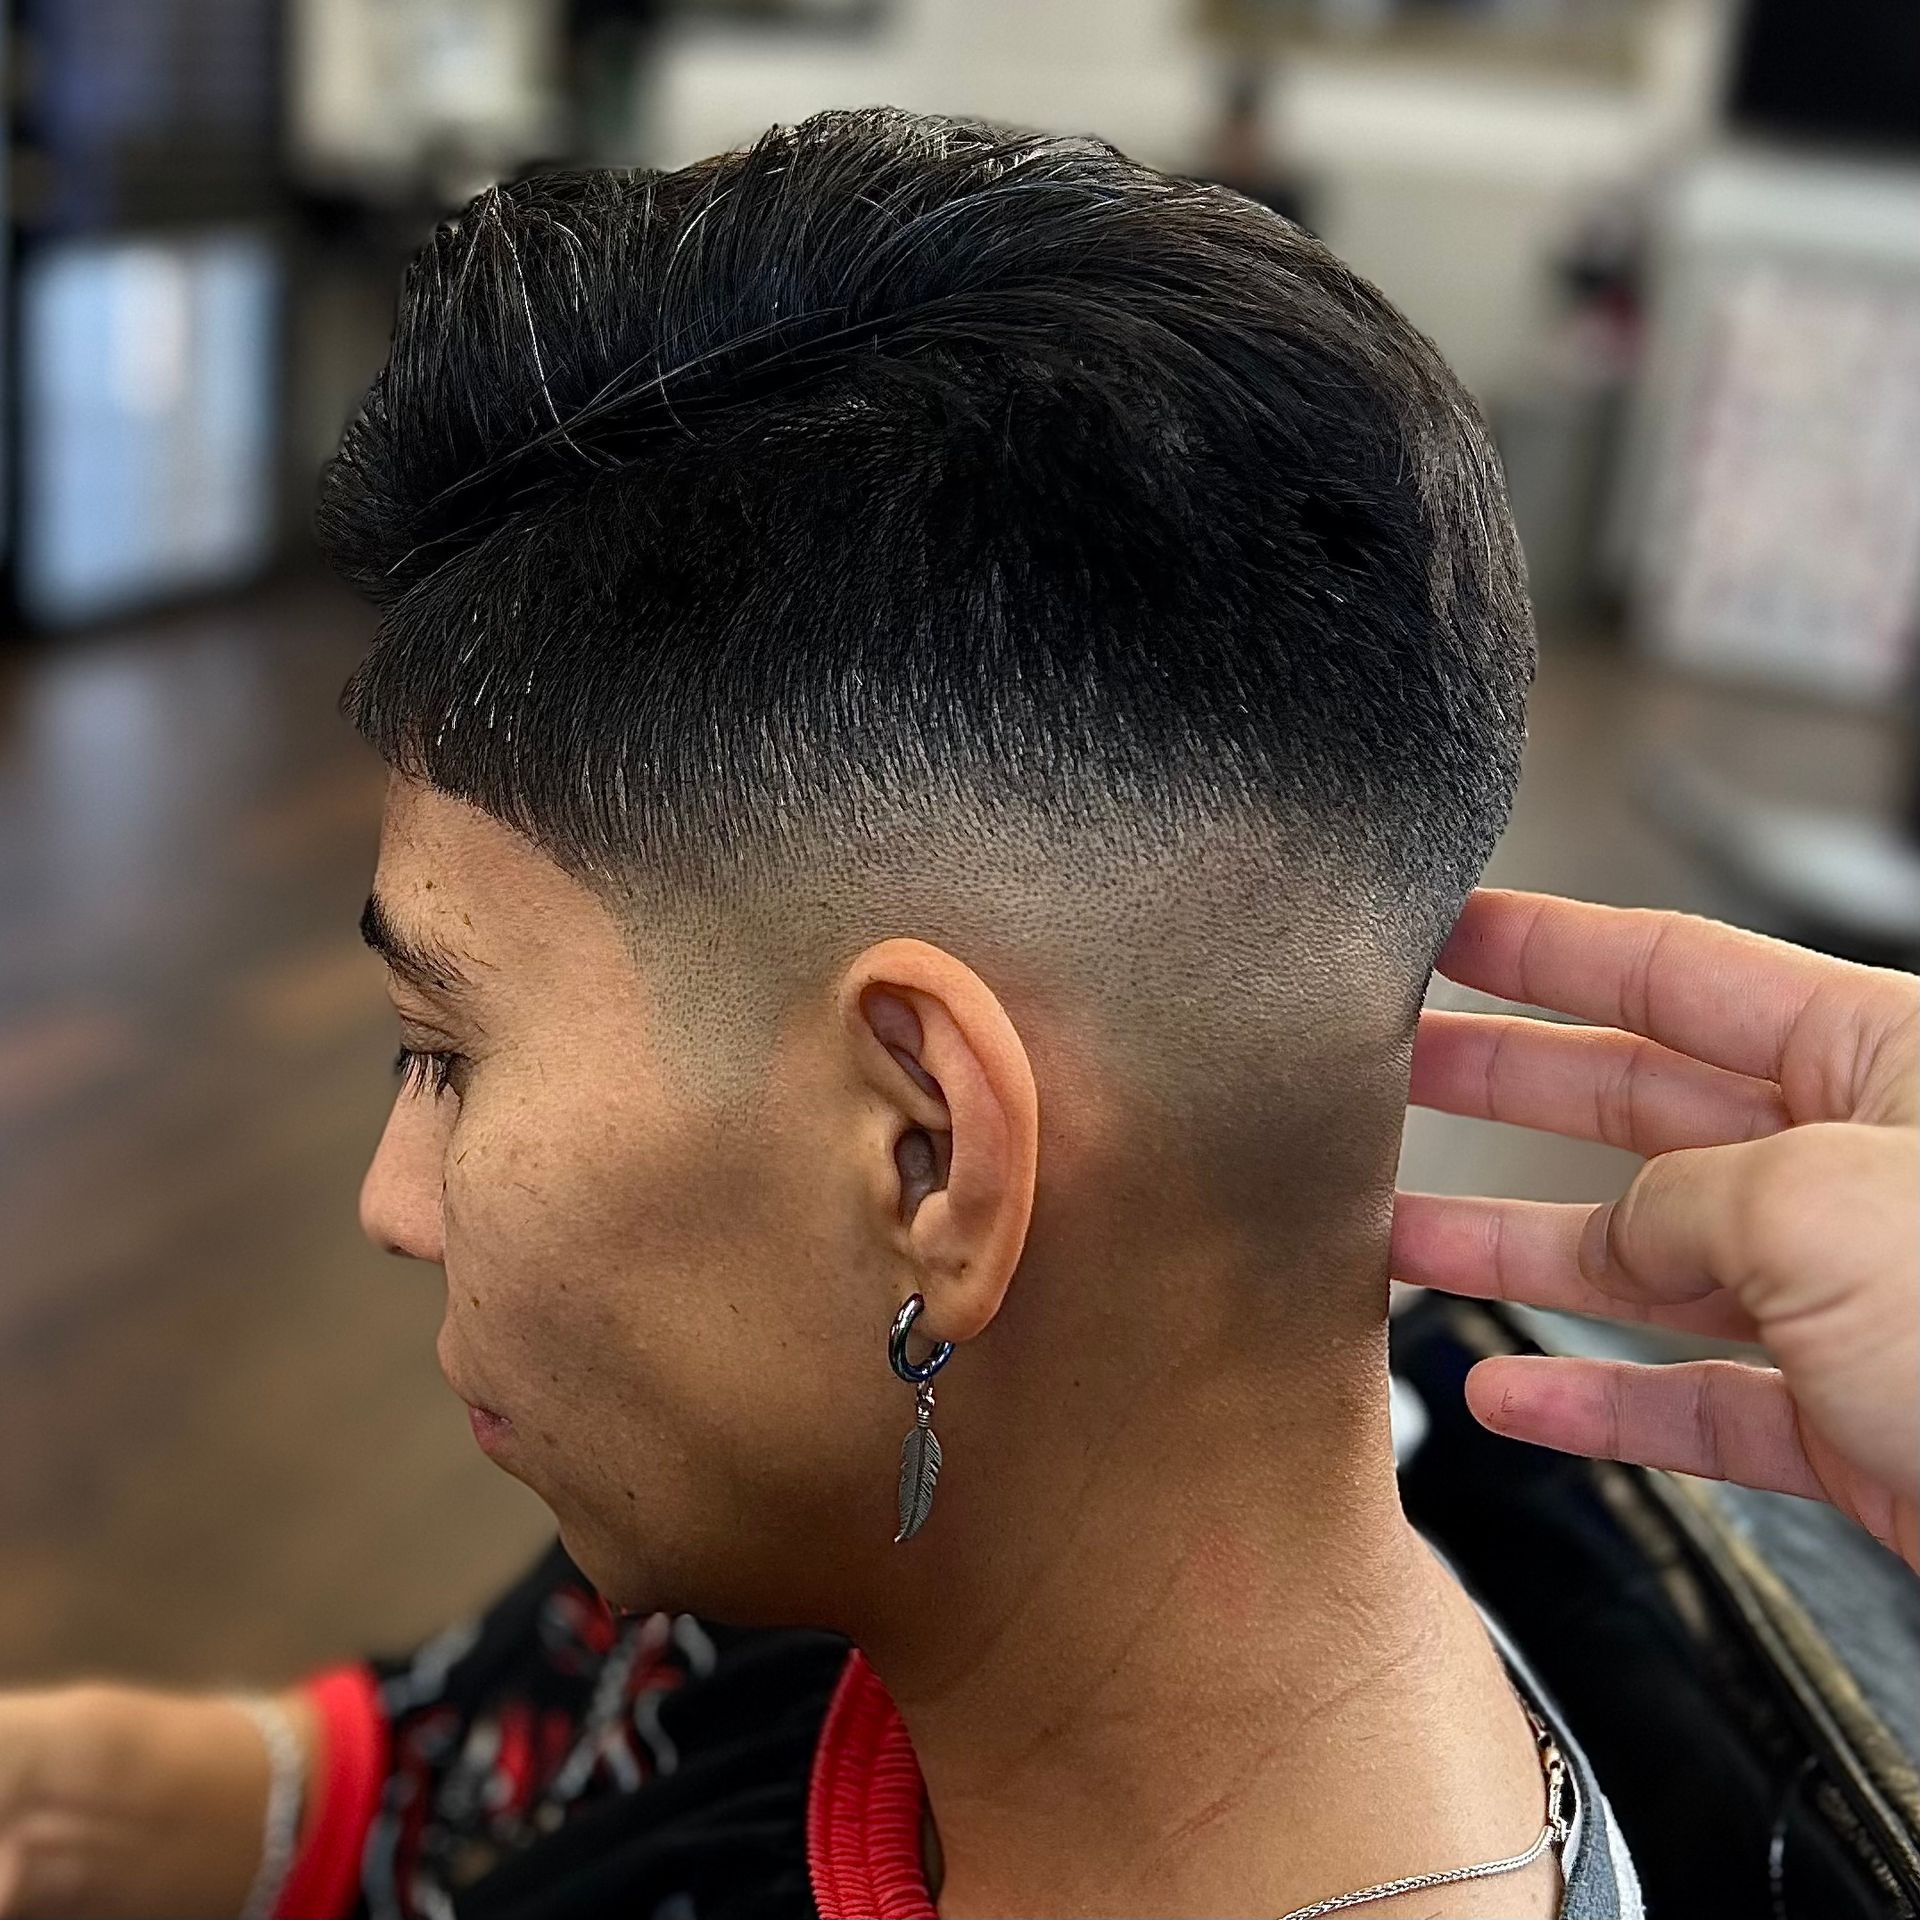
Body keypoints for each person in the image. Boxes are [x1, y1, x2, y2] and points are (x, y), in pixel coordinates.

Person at [1, 107, 1913, 1920]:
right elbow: (420, 1776)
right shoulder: (809, 1500)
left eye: (446, 1054)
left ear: (927, 1152)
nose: (395, 1200)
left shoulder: (793, 1447)